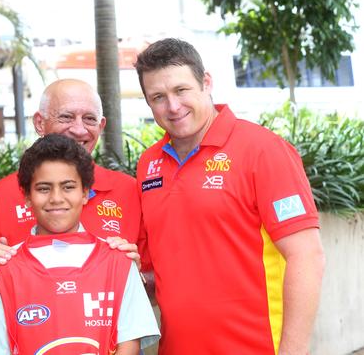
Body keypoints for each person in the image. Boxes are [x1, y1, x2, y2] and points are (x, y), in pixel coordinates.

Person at [134, 38, 325, 355]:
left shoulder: (263, 150)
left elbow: (307, 256)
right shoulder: (148, 165)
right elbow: (160, 274)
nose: (173, 106)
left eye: (181, 90)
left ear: (206, 82)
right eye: (158, 97)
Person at [0, 134, 160, 354]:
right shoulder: (2, 269)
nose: (56, 198)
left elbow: (128, 346)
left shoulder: (119, 262)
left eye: (67, 187)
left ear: (85, 193)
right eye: (44, 188)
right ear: (27, 196)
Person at [0, 79, 147, 282]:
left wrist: (135, 276)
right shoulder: (1, 195)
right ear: (40, 123)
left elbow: (153, 279)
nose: (79, 129)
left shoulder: (129, 191)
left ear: (101, 126)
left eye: (90, 119)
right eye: (66, 117)